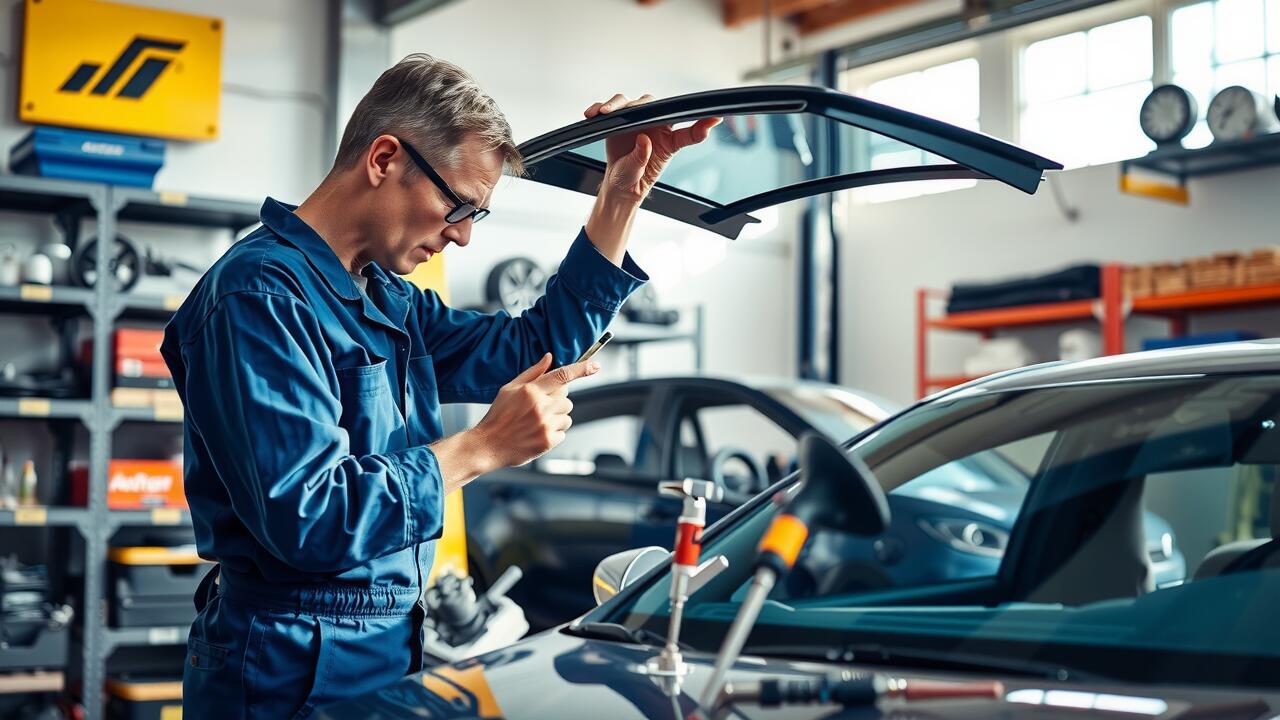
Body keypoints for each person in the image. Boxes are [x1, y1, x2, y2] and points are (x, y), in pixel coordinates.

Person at [160, 53, 719, 719]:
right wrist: (481, 448)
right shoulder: (260, 296)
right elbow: (307, 518)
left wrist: (621, 193)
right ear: (384, 159)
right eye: (459, 206)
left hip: (387, 641)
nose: (459, 236)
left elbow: (531, 349)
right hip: (286, 665)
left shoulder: (388, 298)